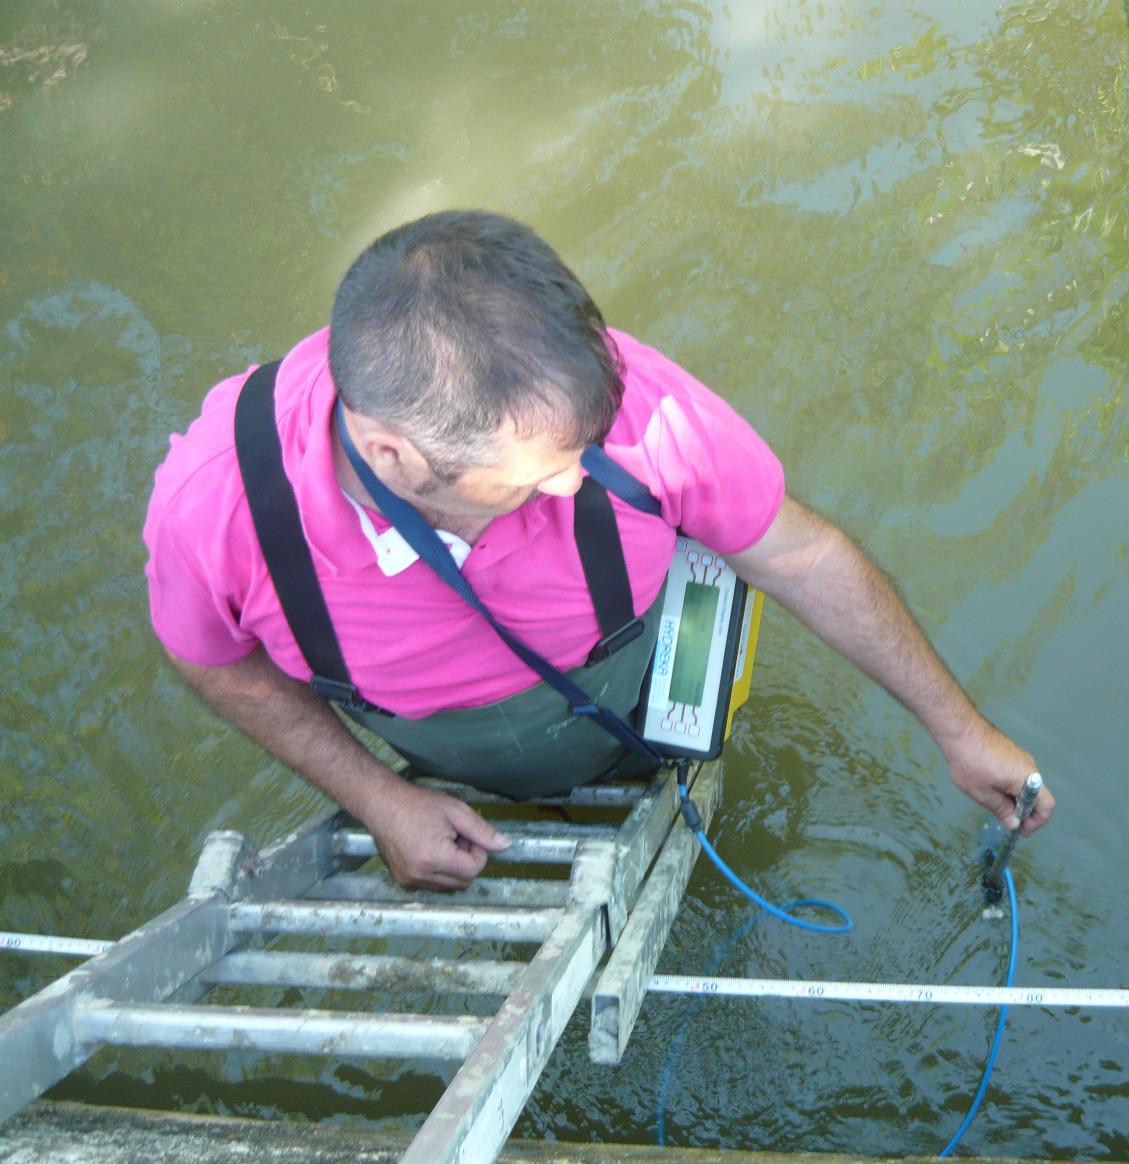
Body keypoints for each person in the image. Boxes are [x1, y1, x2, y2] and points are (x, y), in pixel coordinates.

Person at [143, 210, 1054, 891]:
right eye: (536, 474)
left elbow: (803, 558)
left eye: (583, 447)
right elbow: (214, 664)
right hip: (445, 759)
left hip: (630, 688)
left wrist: (959, 731)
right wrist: (380, 799)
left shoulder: (638, 408)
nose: (579, 482)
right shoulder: (219, 511)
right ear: (394, 457)